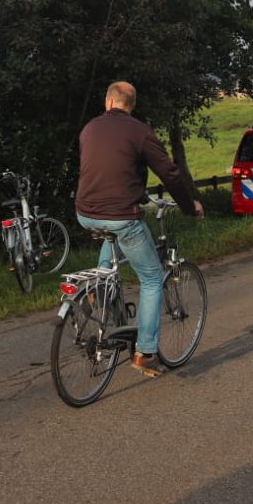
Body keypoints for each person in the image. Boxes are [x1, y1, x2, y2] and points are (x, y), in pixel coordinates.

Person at [75, 81, 203, 378]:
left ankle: (98, 291)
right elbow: (169, 173)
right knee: (151, 277)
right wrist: (189, 206)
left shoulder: (89, 128)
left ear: (108, 102)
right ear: (130, 105)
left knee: (114, 232)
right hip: (120, 215)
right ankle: (146, 352)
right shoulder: (139, 131)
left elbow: (107, 169)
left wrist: (137, 192)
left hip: (85, 213)